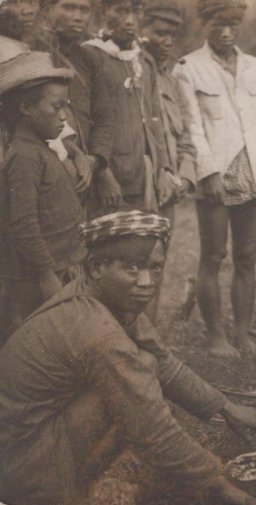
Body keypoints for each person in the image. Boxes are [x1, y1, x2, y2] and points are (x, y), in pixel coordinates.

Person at [0, 211, 256, 505]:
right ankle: (64, 492)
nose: (147, 282)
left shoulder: (100, 295)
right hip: (25, 464)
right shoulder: (97, 332)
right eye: (132, 268)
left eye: (155, 268)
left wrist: (226, 407)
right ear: (96, 267)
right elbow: (150, 425)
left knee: (147, 364)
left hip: (25, 444)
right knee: (137, 382)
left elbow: (162, 362)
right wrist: (218, 484)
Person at [175, 0, 256, 358]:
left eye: (231, 27)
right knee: (213, 255)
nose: (225, 33)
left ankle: (243, 335)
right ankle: (216, 337)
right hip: (217, 175)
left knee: (247, 256)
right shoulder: (189, 69)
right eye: (217, 26)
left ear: (240, 27)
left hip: (253, 171)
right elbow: (192, 127)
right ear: (204, 25)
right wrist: (207, 172)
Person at [0, 50, 83, 344]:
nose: (64, 116)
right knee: (31, 343)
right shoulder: (23, 156)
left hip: (55, 269)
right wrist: (46, 273)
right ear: (26, 107)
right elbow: (24, 224)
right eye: (56, 107)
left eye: (67, 107)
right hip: (32, 280)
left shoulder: (41, 149)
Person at [82, 0, 169, 218]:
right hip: (108, 178)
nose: (130, 21)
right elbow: (85, 123)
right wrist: (103, 173)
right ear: (104, 12)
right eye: (121, 11)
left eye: (135, 12)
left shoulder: (145, 61)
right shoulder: (91, 55)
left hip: (144, 177)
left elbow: (155, 121)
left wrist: (163, 169)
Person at [139, 0, 196, 322]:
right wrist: (158, 171)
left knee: (156, 264)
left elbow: (186, 137)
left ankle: (148, 341)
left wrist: (185, 178)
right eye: (159, 32)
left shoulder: (173, 82)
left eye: (172, 34)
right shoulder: (130, 75)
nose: (167, 41)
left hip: (168, 193)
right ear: (141, 29)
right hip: (139, 187)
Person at [35, 0, 117, 203]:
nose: (78, 17)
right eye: (69, 7)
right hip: (40, 172)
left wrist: (95, 160)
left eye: (84, 9)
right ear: (46, 11)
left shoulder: (89, 59)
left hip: (84, 177)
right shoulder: (29, 54)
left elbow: (104, 117)